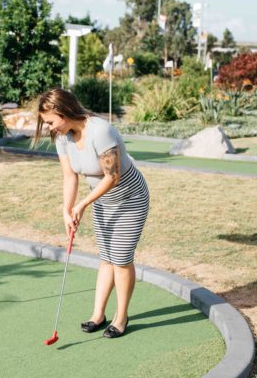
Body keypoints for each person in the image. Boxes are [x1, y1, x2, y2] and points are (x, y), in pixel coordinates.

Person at [33, 88, 149, 338]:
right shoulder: (63, 137)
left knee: (120, 258)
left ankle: (121, 317)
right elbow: (69, 176)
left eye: (51, 122)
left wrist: (83, 204)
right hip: (102, 200)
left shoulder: (100, 131)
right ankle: (98, 314)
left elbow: (113, 176)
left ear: (62, 112)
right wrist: (67, 210)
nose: (50, 128)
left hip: (130, 199)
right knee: (106, 256)